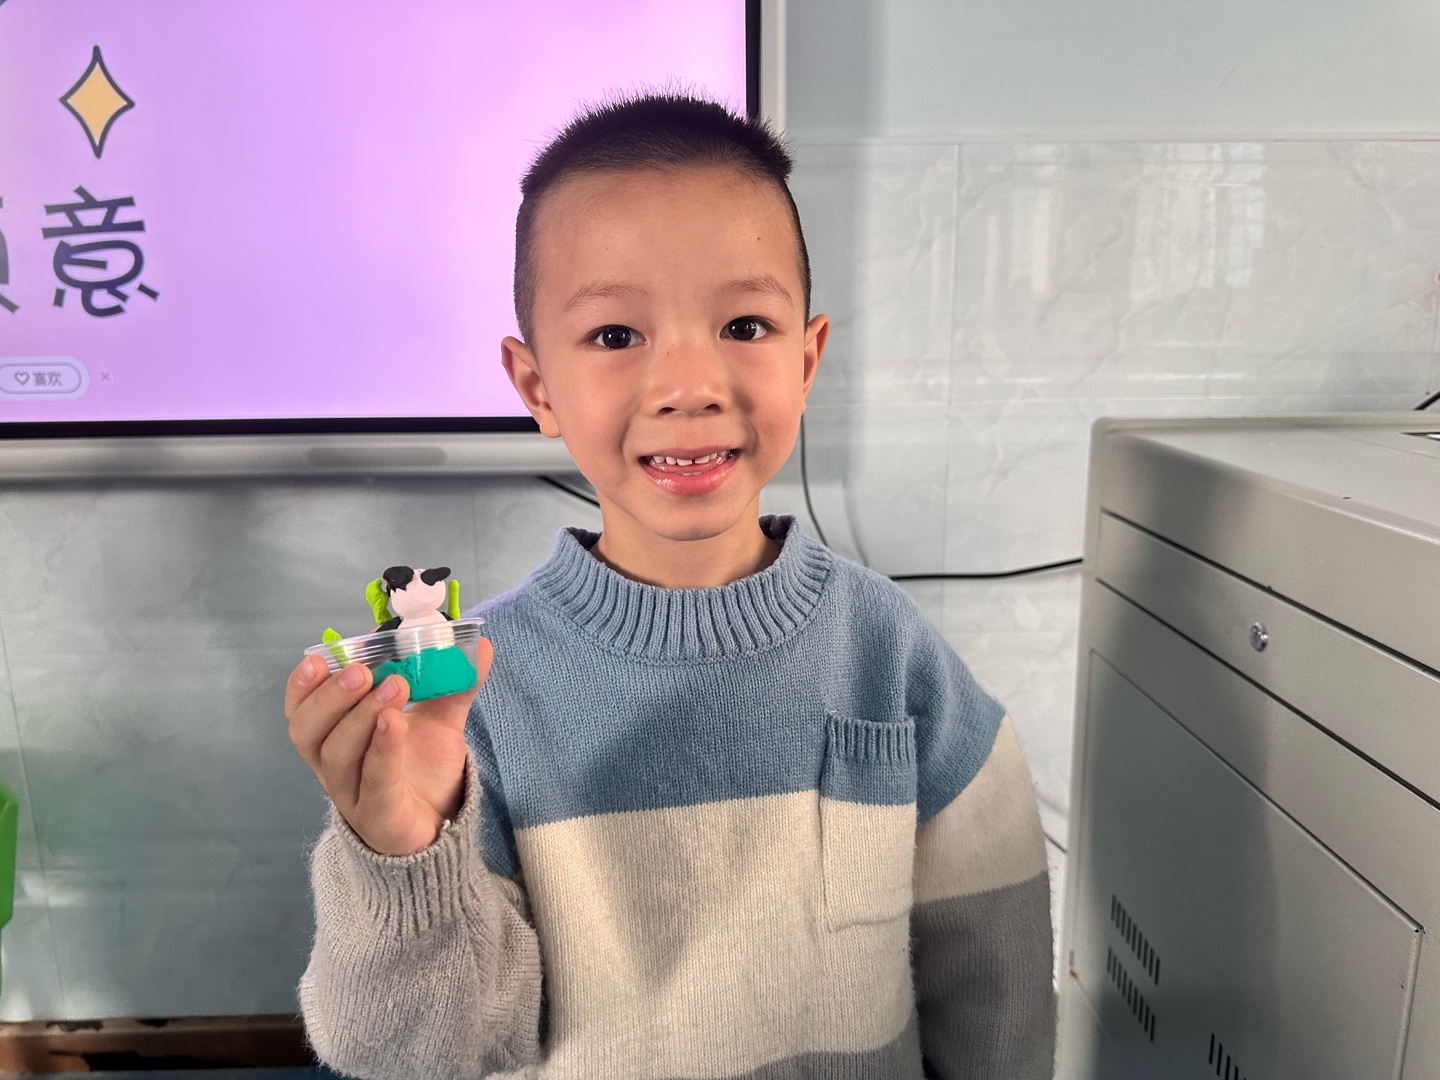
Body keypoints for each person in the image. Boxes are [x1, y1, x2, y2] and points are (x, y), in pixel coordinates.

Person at [284, 93, 1054, 1080]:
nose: (688, 385)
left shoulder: (892, 657)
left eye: (744, 324)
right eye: (616, 336)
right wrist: (400, 853)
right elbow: (424, 1055)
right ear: (537, 387)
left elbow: (999, 992)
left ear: (807, 359)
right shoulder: (476, 700)